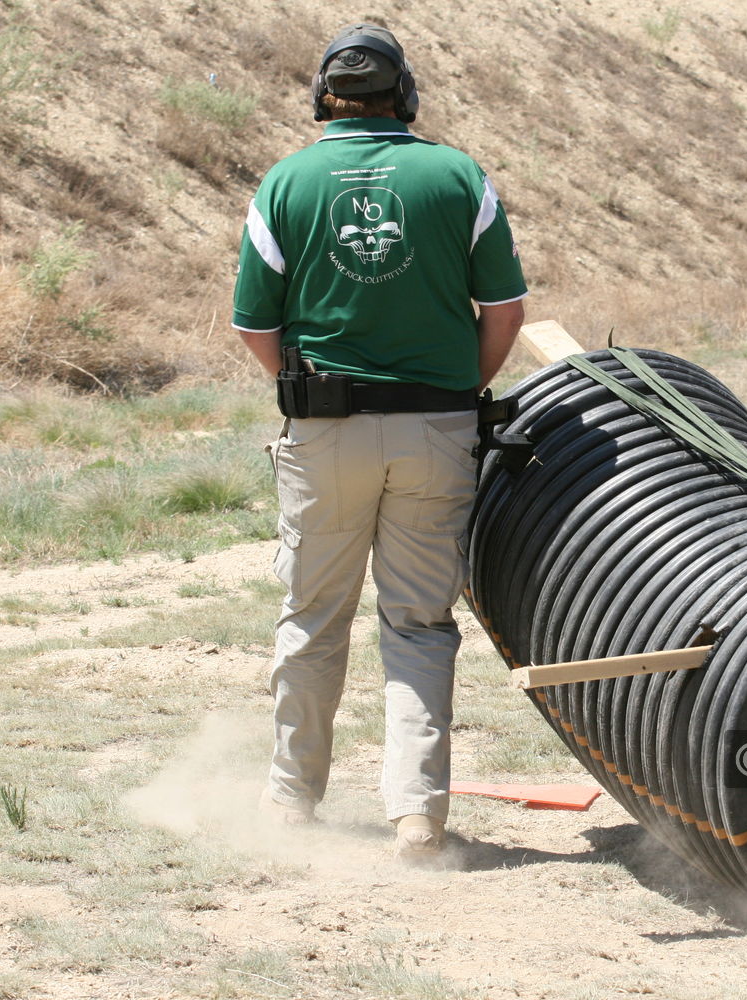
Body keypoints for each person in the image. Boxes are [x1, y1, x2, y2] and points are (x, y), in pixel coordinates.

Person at [231, 23, 526, 862]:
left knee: (312, 617)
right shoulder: (458, 175)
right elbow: (504, 313)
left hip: (323, 431)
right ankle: (417, 818)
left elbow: (255, 324)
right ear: (405, 97)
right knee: (420, 624)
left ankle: (292, 797)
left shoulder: (285, 181)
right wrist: (458, 392)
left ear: (324, 98)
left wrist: (306, 381)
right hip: (436, 428)